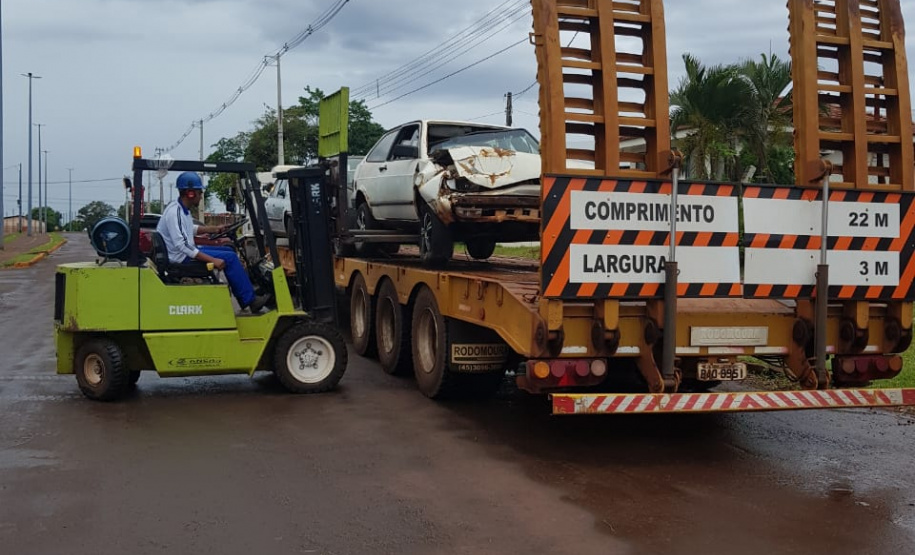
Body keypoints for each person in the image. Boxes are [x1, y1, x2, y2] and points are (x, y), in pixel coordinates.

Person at [157, 171, 268, 313]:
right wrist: (213, 260)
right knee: (230, 258)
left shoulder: (181, 210)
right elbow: (182, 245)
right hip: (181, 259)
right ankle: (250, 300)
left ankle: (247, 294)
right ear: (190, 193)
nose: (201, 195)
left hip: (182, 255)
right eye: (199, 192)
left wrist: (214, 229)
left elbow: (191, 229)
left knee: (228, 251)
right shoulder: (175, 213)